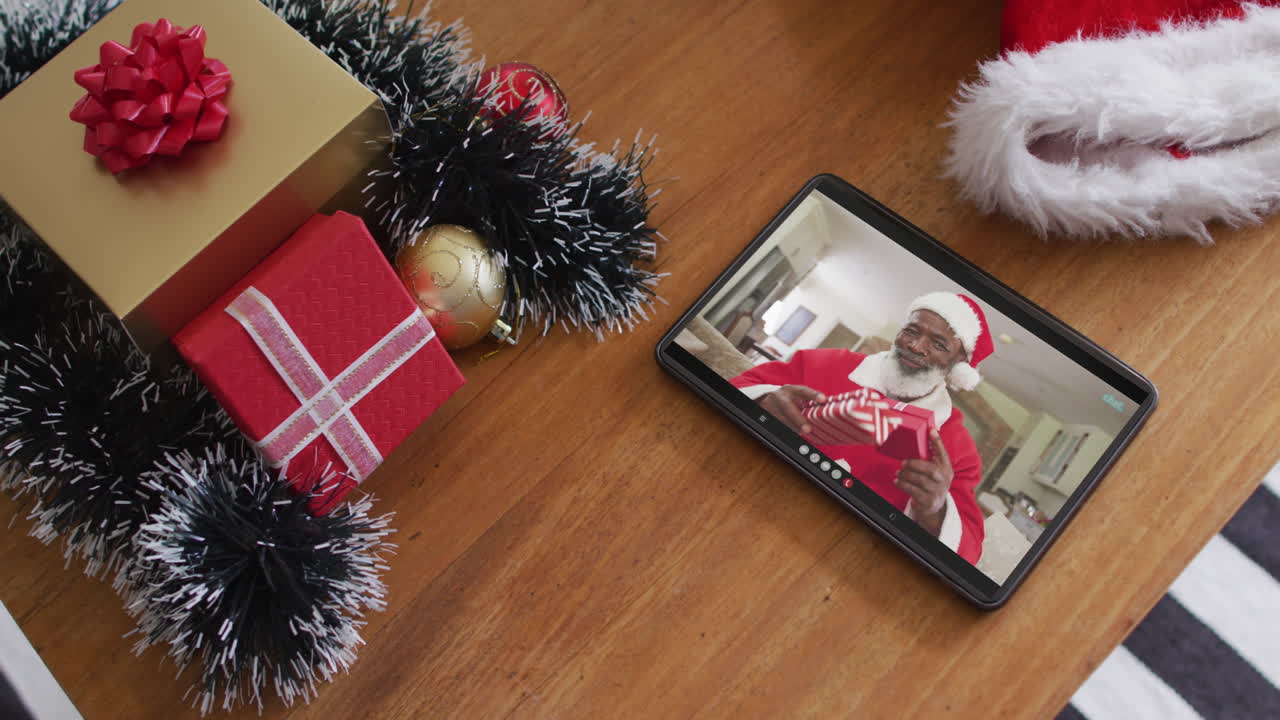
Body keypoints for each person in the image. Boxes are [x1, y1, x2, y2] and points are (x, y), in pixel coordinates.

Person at [730, 292, 994, 563]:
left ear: (958, 365)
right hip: (749, 494)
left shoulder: (958, 449)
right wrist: (764, 400)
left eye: (938, 343)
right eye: (911, 331)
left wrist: (935, 511)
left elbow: (969, 553)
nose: (916, 346)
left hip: (839, 556)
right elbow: (735, 387)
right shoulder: (826, 363)